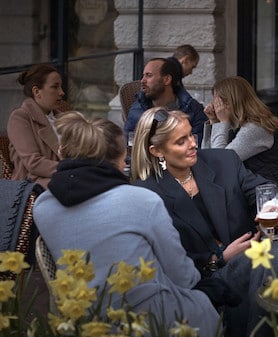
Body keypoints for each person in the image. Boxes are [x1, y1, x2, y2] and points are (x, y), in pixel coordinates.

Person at [32, 111, 220, 335]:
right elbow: (184, 277)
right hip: (150, 321)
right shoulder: (142, 201)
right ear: (120, 159)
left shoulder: (42, 206)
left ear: (64, 154)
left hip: (81, 321)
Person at [130, 107, 278, 336]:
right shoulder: (146, 194)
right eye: (181, 141)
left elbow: (264, 189)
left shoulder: (223, 161)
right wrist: (218, 259)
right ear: (157, 151)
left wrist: (274, 206)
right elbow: (162, 261)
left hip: (256, 261)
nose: (192, 144)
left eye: (191, 134)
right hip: (203, 280)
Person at [202, 76, 278, 223]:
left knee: (221, 213)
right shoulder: (239, 124)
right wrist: (214, 122)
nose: (214, 105)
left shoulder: (255, 128)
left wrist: (221, 122)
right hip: (274, 192)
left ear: (229, 102)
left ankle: (236, 245)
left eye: (217, 100)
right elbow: (207, 158)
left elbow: (221, 162)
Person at [7, 64, 65, 188]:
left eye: (61, 87)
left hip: (64, 177)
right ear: (37, 91)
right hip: (32, 185)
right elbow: (33, 163)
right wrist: (71, 169)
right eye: (55, 87)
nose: (62, 92)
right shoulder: (20, 117)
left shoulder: (63, 118)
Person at [123, 57, 207, 140]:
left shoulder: (193, 109)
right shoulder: (137, 109)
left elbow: (198, 145)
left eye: (149, 75)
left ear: (167, 80)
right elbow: (129, 143)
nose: (142, 81)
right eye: (143, 76)